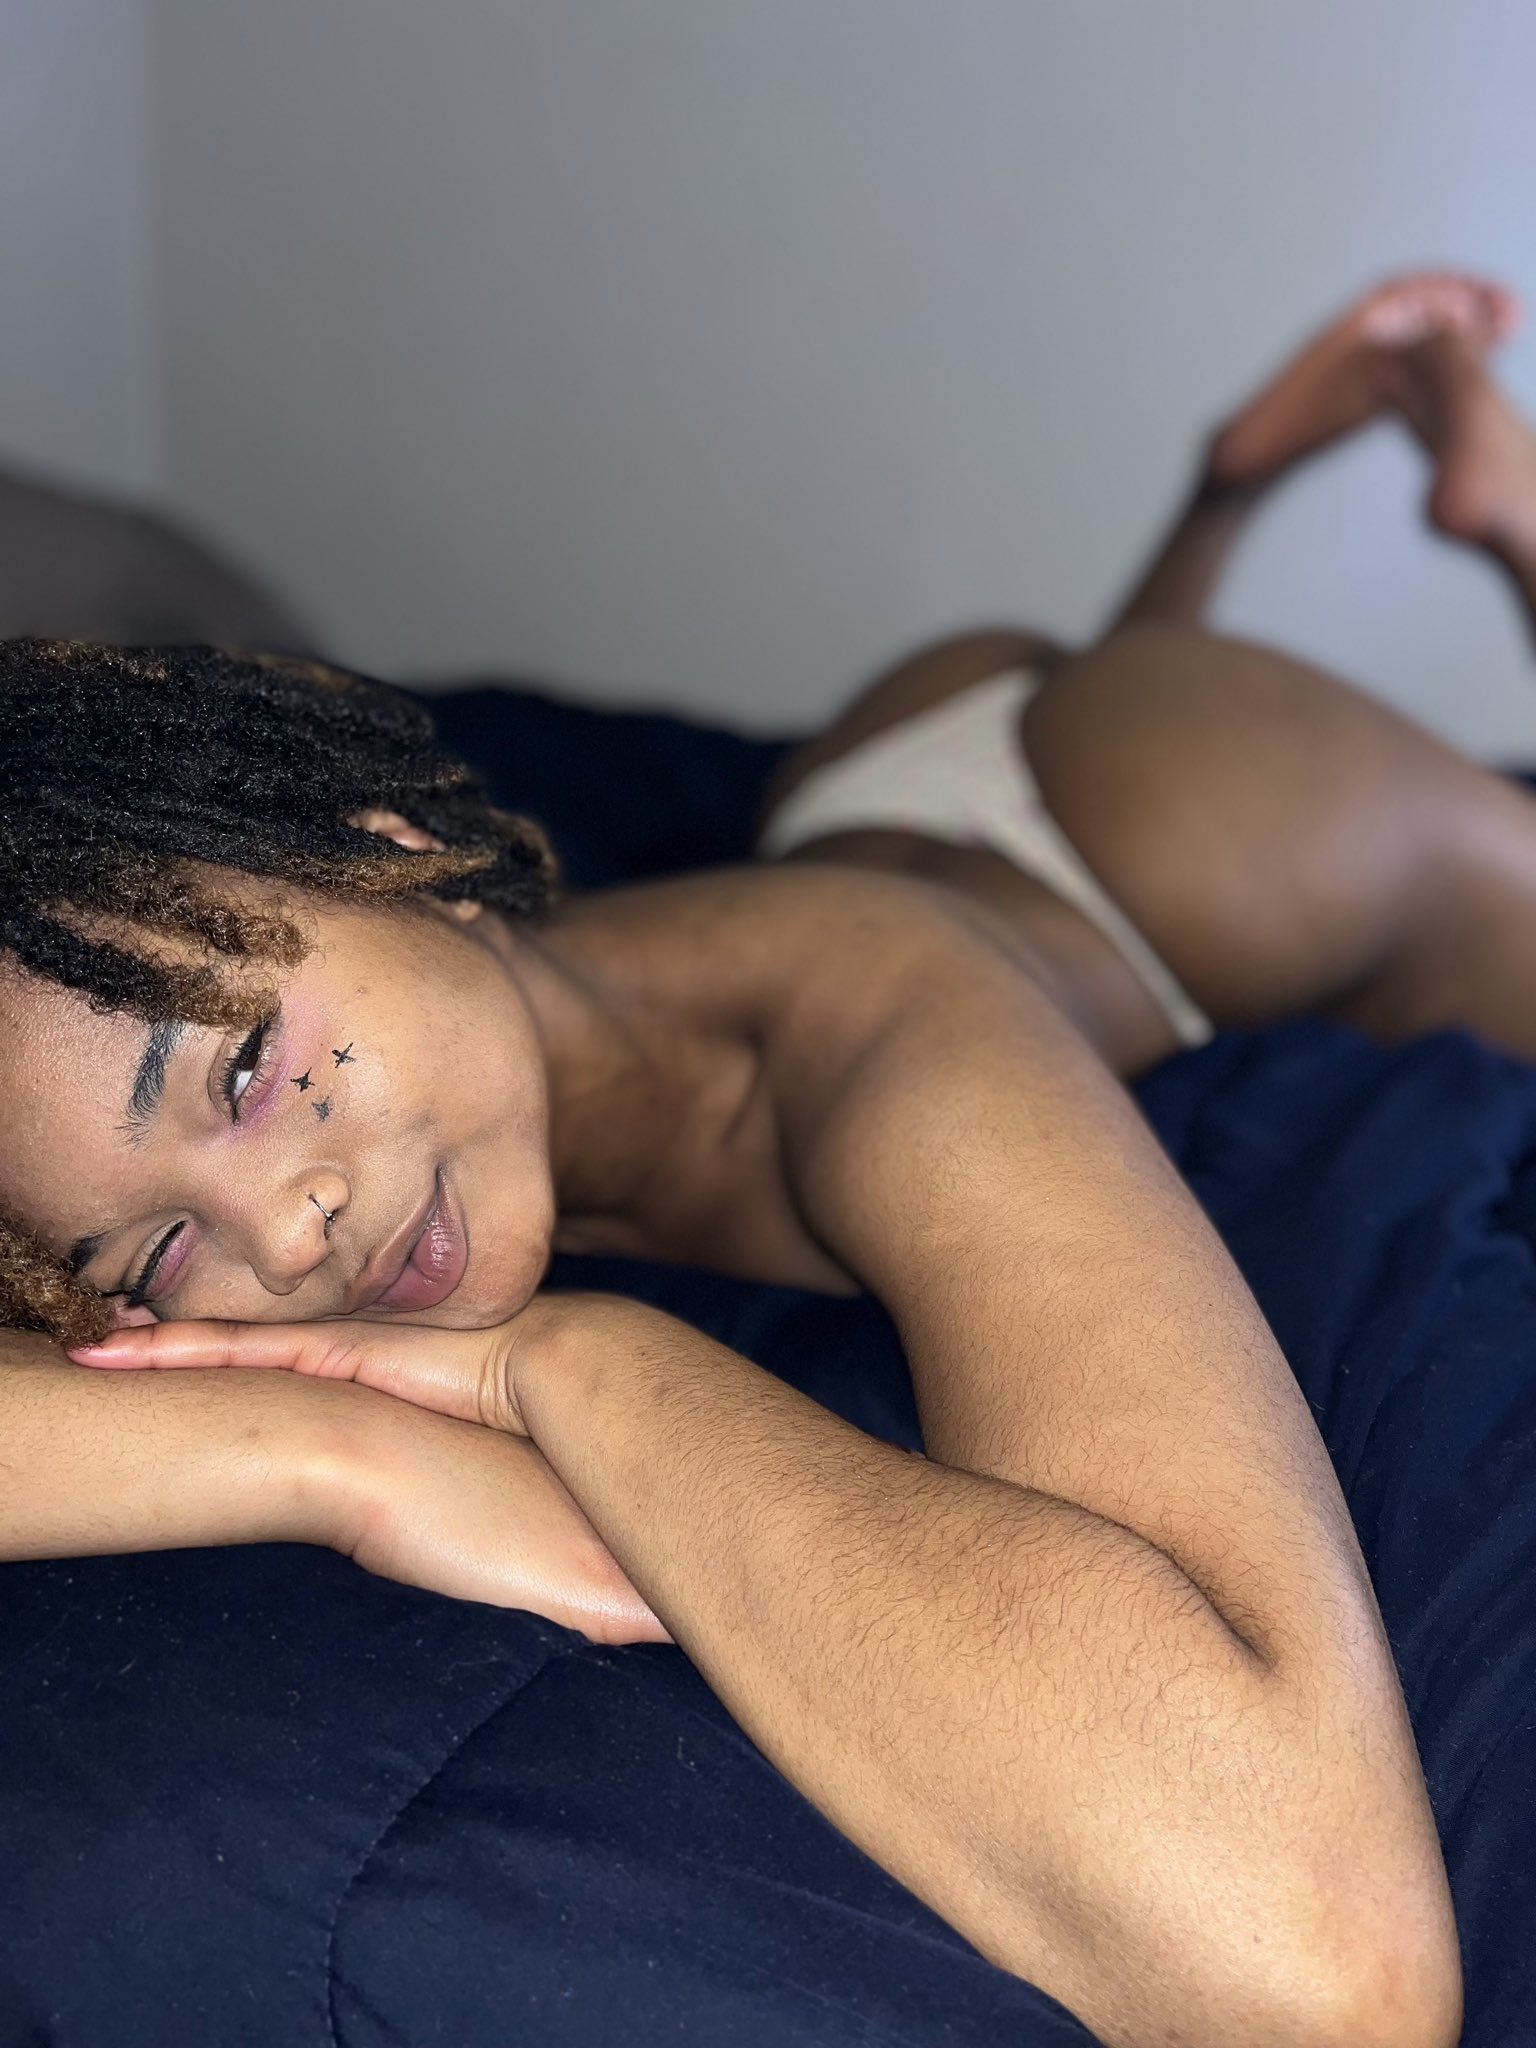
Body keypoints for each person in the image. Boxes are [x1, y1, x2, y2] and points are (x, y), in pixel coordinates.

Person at [4, 272, 1523, 2048]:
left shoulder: (868, 1022)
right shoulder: (406, 1105)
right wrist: (334, 1456)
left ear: (391, 842)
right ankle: (1223, 495)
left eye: (249, 1072)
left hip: (1223, 820)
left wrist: (576, 1362)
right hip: (875, 778)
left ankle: (1505, 515)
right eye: (153, 1258)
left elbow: (1324, 1972)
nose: (282, 1236)